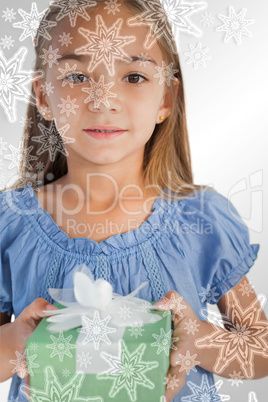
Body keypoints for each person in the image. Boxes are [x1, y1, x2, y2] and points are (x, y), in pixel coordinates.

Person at [0, 0, 267, 401]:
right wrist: (15, 343)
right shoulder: (11, 221)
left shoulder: (201, 219)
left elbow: (261, 350)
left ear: (166, 99)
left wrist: (200, 341)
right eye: (77, 75)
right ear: (43, 95)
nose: (104, 99)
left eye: (135, 76)